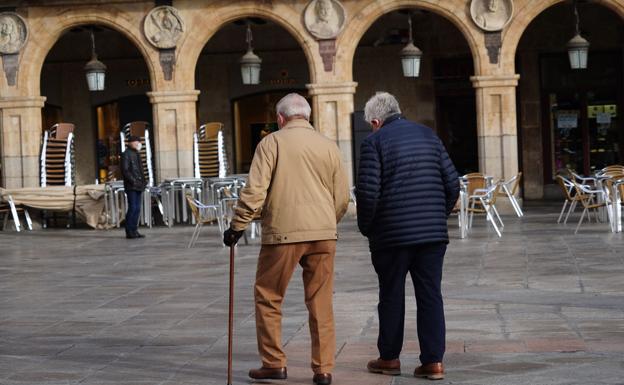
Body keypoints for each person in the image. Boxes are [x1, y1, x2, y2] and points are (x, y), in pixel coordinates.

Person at [223, 93, 350, 385]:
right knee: (321, 302)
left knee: (268, 296)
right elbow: (342, 196)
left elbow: (255, 191)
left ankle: (274, 363)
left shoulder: (271, 143)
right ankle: (323, 369)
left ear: (280, 118)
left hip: (283, 233)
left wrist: (237, 225)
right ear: (307, 116)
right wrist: (327, 222)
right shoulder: (329, 146)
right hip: (323, 234)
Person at [356, 92, 459, 380]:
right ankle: (433, 362)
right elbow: (453, 183)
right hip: (432, 236)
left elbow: (368, 193)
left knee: (391, 295)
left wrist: (368, 228)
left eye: (370, 124)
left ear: (376, 121)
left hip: (391, 237)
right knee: (430, 296)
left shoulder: (373, 142)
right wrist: (439, 216)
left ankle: (389, 358)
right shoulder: (428, 135)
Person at [121, 135, 146, 239]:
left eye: (138, 142)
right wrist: (134, 181)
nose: (138, 143)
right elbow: (125, 170)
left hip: (138, 185)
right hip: (131, 185)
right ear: (130, 142)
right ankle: (129, 231)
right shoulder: (126, 154)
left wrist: (144, 181)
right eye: (136, 141)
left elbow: (140, 169)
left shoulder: (136, 154)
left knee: (137, 208)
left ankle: (134, 230)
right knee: (133, 207)